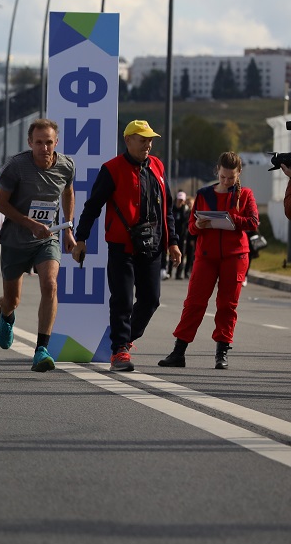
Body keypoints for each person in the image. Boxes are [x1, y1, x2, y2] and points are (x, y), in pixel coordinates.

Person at [72, 120, 181, 372]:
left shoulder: (157, 166)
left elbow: (167, 209)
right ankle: (119, 350)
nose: (148, 144)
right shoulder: (112, 169)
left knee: (151, 300)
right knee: (122, 299)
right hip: (122, 246)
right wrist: (81, 238)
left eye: (150, 139)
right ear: (128, 140)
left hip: (152, 245)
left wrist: (173, 242)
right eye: (142, 139)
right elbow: (92, 206)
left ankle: (124, 339)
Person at [157, 152, 258, 370]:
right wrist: (199, 225)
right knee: (194, 303)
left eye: (231, 178)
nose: (226, 181)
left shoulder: (246, 194)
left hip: (235, 256)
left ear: (238, 173)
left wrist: (232, 220)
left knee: (227, 305)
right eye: (223, 177)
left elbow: (253, 222)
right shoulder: (203, 194)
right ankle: (178, 352)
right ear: (217, 172)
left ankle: (222, 353)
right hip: (206, 256)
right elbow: (192, 228)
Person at [0, 119, 77, 372]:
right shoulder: (16, 167)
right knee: (12, 299)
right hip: (15, 240)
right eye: (39, 142)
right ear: (30, 143)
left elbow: (68, 193)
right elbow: (0, 204)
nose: (44, 147)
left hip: (47, 238)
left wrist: (68, 227)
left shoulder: (66, 166)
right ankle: (6, 315)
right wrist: (30, 224)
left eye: (49, 142)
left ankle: (41, 349)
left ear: (56, 143)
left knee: (50, 285)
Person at [171, 191, 192, 280]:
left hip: (183, 236)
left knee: (182, 254)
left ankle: (179, 273)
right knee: (172, 254)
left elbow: (187, 224)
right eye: (179, 199)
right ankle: (168, 271)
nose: (180, 201)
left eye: (182, 200)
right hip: (174, 235)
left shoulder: (186, 210)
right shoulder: (172, 209)